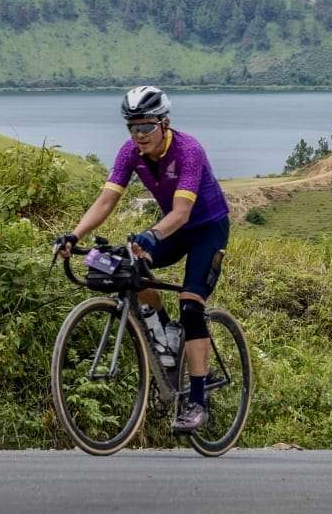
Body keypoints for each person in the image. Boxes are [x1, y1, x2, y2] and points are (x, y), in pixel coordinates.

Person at [54, 85, 230, 433]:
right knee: (130, 266)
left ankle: (198, 402)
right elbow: (105, 201)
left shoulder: (188, 150)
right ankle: (165, 332)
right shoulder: (130, 152)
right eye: (132, 128)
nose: (139, 135)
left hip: (206, 228)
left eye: (146, 127)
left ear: (165, 123)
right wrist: (75, 236)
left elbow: (181, 212)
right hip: (173, 229)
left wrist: (151, 234)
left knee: (192, 305)